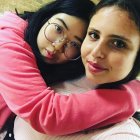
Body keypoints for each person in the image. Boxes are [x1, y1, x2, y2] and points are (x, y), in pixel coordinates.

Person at [0, 0, 140, 139]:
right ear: (47, 16)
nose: (58, 45)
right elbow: (47, 114)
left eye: (118, 43)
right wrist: (131, 96)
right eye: (58, 29)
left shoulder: (76, 62)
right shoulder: (7, 41)